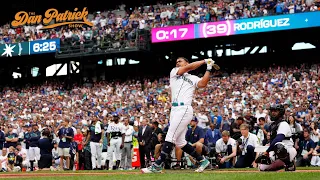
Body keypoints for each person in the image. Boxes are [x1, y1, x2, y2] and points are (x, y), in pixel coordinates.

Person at [141, 57, 218, 173]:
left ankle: (158, 165)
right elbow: (189, 67)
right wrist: (204, 61)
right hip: (175, 109)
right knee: (180, 142)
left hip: (184, 108)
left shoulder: (192, 78)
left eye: (180, 61)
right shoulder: (174, 72)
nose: (177, 63)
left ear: (186, 62)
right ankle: (202, 161)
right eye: (176, 61)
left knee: (170, 135)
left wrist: (208, 68)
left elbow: (203, 84)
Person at [258, 104, 297, 171]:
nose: (273, 112)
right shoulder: (273, 125)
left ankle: (289, 164)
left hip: (288, 150)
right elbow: (272, 141)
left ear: (281, 112)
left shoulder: (283, 124)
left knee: (279, 146)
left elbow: (278, 139)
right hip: (275, 152)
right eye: (272, 111)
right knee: (262, 168)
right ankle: (280, 165)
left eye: (275, 111)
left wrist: (267, 151)